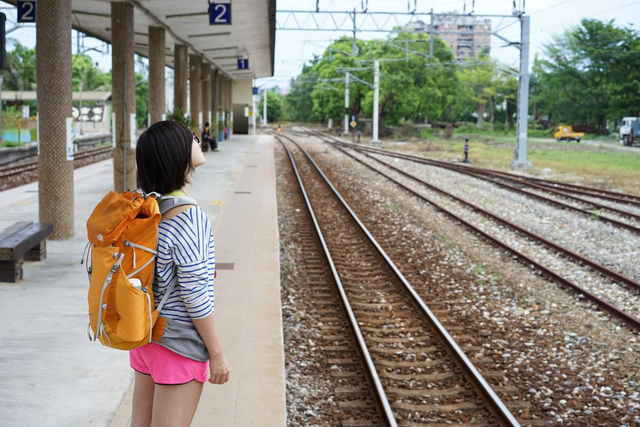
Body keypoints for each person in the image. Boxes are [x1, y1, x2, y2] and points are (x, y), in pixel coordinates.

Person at [133, 121, 229, 427]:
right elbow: (195, 295)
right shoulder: (189, 217)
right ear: (176, 153)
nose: (198, 139)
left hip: (145, 339)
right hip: (177, 343)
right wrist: (217, 353)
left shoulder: (150, 209)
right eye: (191, 137)